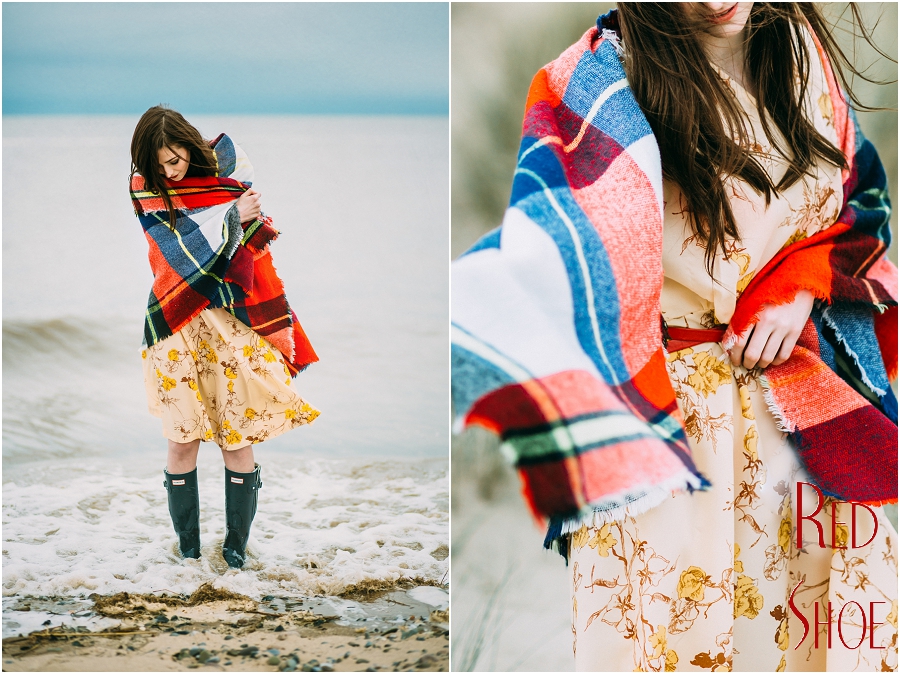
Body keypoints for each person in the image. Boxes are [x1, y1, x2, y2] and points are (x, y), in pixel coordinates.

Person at [451, 3, 897, 670]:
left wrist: (795, 291)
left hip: (802, 413)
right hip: (662, 427)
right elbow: (550, 254)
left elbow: (862, 208)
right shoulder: (592, 86)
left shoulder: (801, 59)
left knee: (815, 645)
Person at [130, 106, 320, 568]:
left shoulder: (229, 176)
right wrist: (232, 216)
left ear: (190, 150)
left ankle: (236, 552)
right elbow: (184, 250)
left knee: (237, 437)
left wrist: (238, 219)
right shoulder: (145, 189)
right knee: (182, 439)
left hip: (230, 323)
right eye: (161, 166)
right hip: (174, 321)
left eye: (175, 161)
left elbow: (245, 248)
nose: (169, 172)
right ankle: (189, 552)